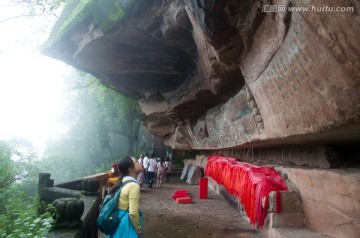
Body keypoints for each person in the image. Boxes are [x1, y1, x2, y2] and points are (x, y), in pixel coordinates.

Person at [107, 156, 143, 238]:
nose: (139, 163)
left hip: (118, 220)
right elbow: (133, 213)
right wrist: (139, 231)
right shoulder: (133, 186)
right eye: (136, 162)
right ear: (130, 169)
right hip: (126, 224)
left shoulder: (123, 180)